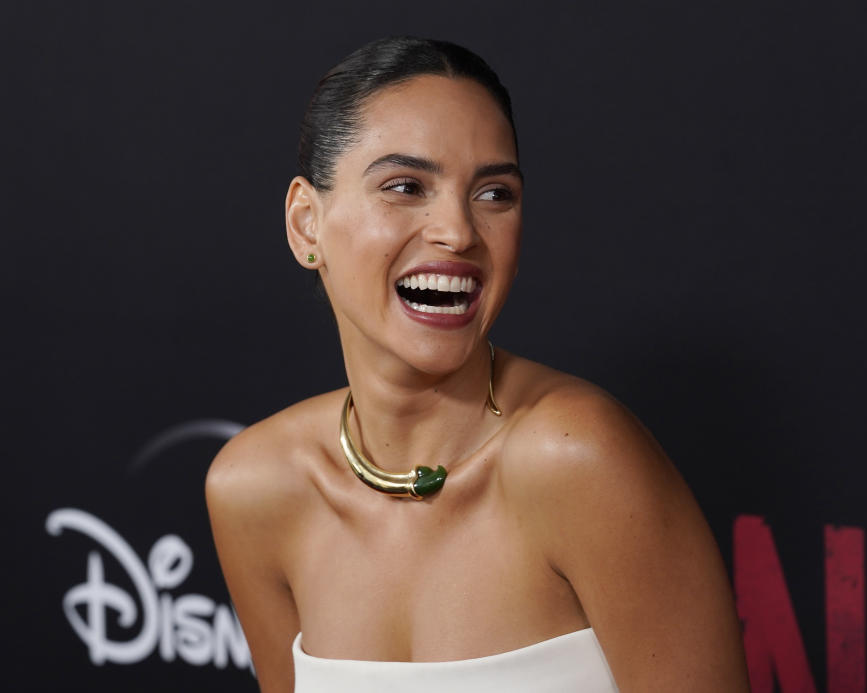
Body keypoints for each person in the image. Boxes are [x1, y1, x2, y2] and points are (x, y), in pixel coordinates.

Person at [206, 36, 750, 693]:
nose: (459, 232)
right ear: (306, 224)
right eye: (405, 186)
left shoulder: (577, 457)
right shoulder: (253, 488)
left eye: (494, 194)